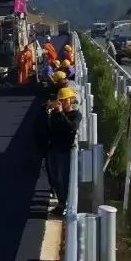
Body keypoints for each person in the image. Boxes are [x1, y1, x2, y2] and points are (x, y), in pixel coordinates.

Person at [45, 86, 82, 215]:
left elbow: (71, 128)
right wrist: (49, 112)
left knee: (62, 178)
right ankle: (60, 201)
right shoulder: (56, 113)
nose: (63, 103)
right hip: (53, 149)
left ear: (71, 100)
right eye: (61, 100)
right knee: (54, 178)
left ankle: (62, 204)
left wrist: (61, 114)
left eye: (65, 100)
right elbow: (49, 128)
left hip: (64, 151)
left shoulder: (76, 114)